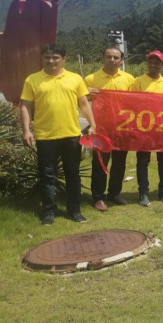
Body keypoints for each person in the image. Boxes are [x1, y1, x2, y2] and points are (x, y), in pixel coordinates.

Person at [20, 44, 96, 225]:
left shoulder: (75, 78)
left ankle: (74, 211)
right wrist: (26, 130)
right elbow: (26, 106)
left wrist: (92, 124)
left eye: (55, 57)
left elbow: (84, 104)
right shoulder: (32, 80)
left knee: (73, 174)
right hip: (45, 136)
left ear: (63, 59)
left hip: (71, 135)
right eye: (47, 57)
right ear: (42, 58)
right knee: (47, 176)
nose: (51, 60)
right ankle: (48, 212)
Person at [85, 47, 135, 211]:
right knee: (100, 163)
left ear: (121, 60)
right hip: (101, 128)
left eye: (116, 57)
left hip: (122, 128)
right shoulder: (91, 79)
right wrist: (86, 93)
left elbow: (135, 102)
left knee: (119, 163)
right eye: (109, 57)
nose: (112, 60)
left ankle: (114, 193)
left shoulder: (129, 79)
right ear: (103, 58)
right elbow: (79, 100)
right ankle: (98, 197)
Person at [131, 50, 163, 206]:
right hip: (144, 128)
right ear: (147, 63)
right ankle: (143, 192)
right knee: (143, 161)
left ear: (162, 65)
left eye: (157, 63)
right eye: (151, 62)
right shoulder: (138, 81)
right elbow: (131, 103)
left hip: (162, 128)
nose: (153, 65)